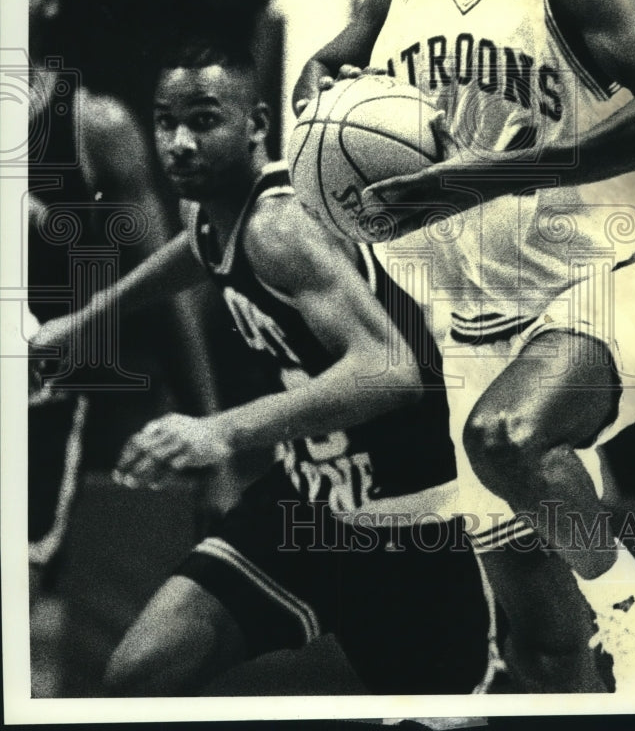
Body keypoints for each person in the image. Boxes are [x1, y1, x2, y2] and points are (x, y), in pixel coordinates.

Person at [292, 0, 635, 695]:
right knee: (541, 647)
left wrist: (484, 177)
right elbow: (326, 65)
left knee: (509, 437)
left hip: (594, 295)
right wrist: (317, 106)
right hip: (469, 334)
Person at [33, 41, 503, 696]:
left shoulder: (278, 225)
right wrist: (82, 323)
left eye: (203, 120)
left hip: (403, 529)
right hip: (304, 508)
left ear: (255, 126)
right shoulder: (216, 211)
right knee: (137, 675)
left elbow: (392, 371)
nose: (179, 143)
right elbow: (193, 251)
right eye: (166, 122)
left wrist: (220, 431)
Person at [27, 0, 217, 571]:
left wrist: (210, 437)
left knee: (39, 633)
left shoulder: (93, 126)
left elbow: (167, 285)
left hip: (50, 414)